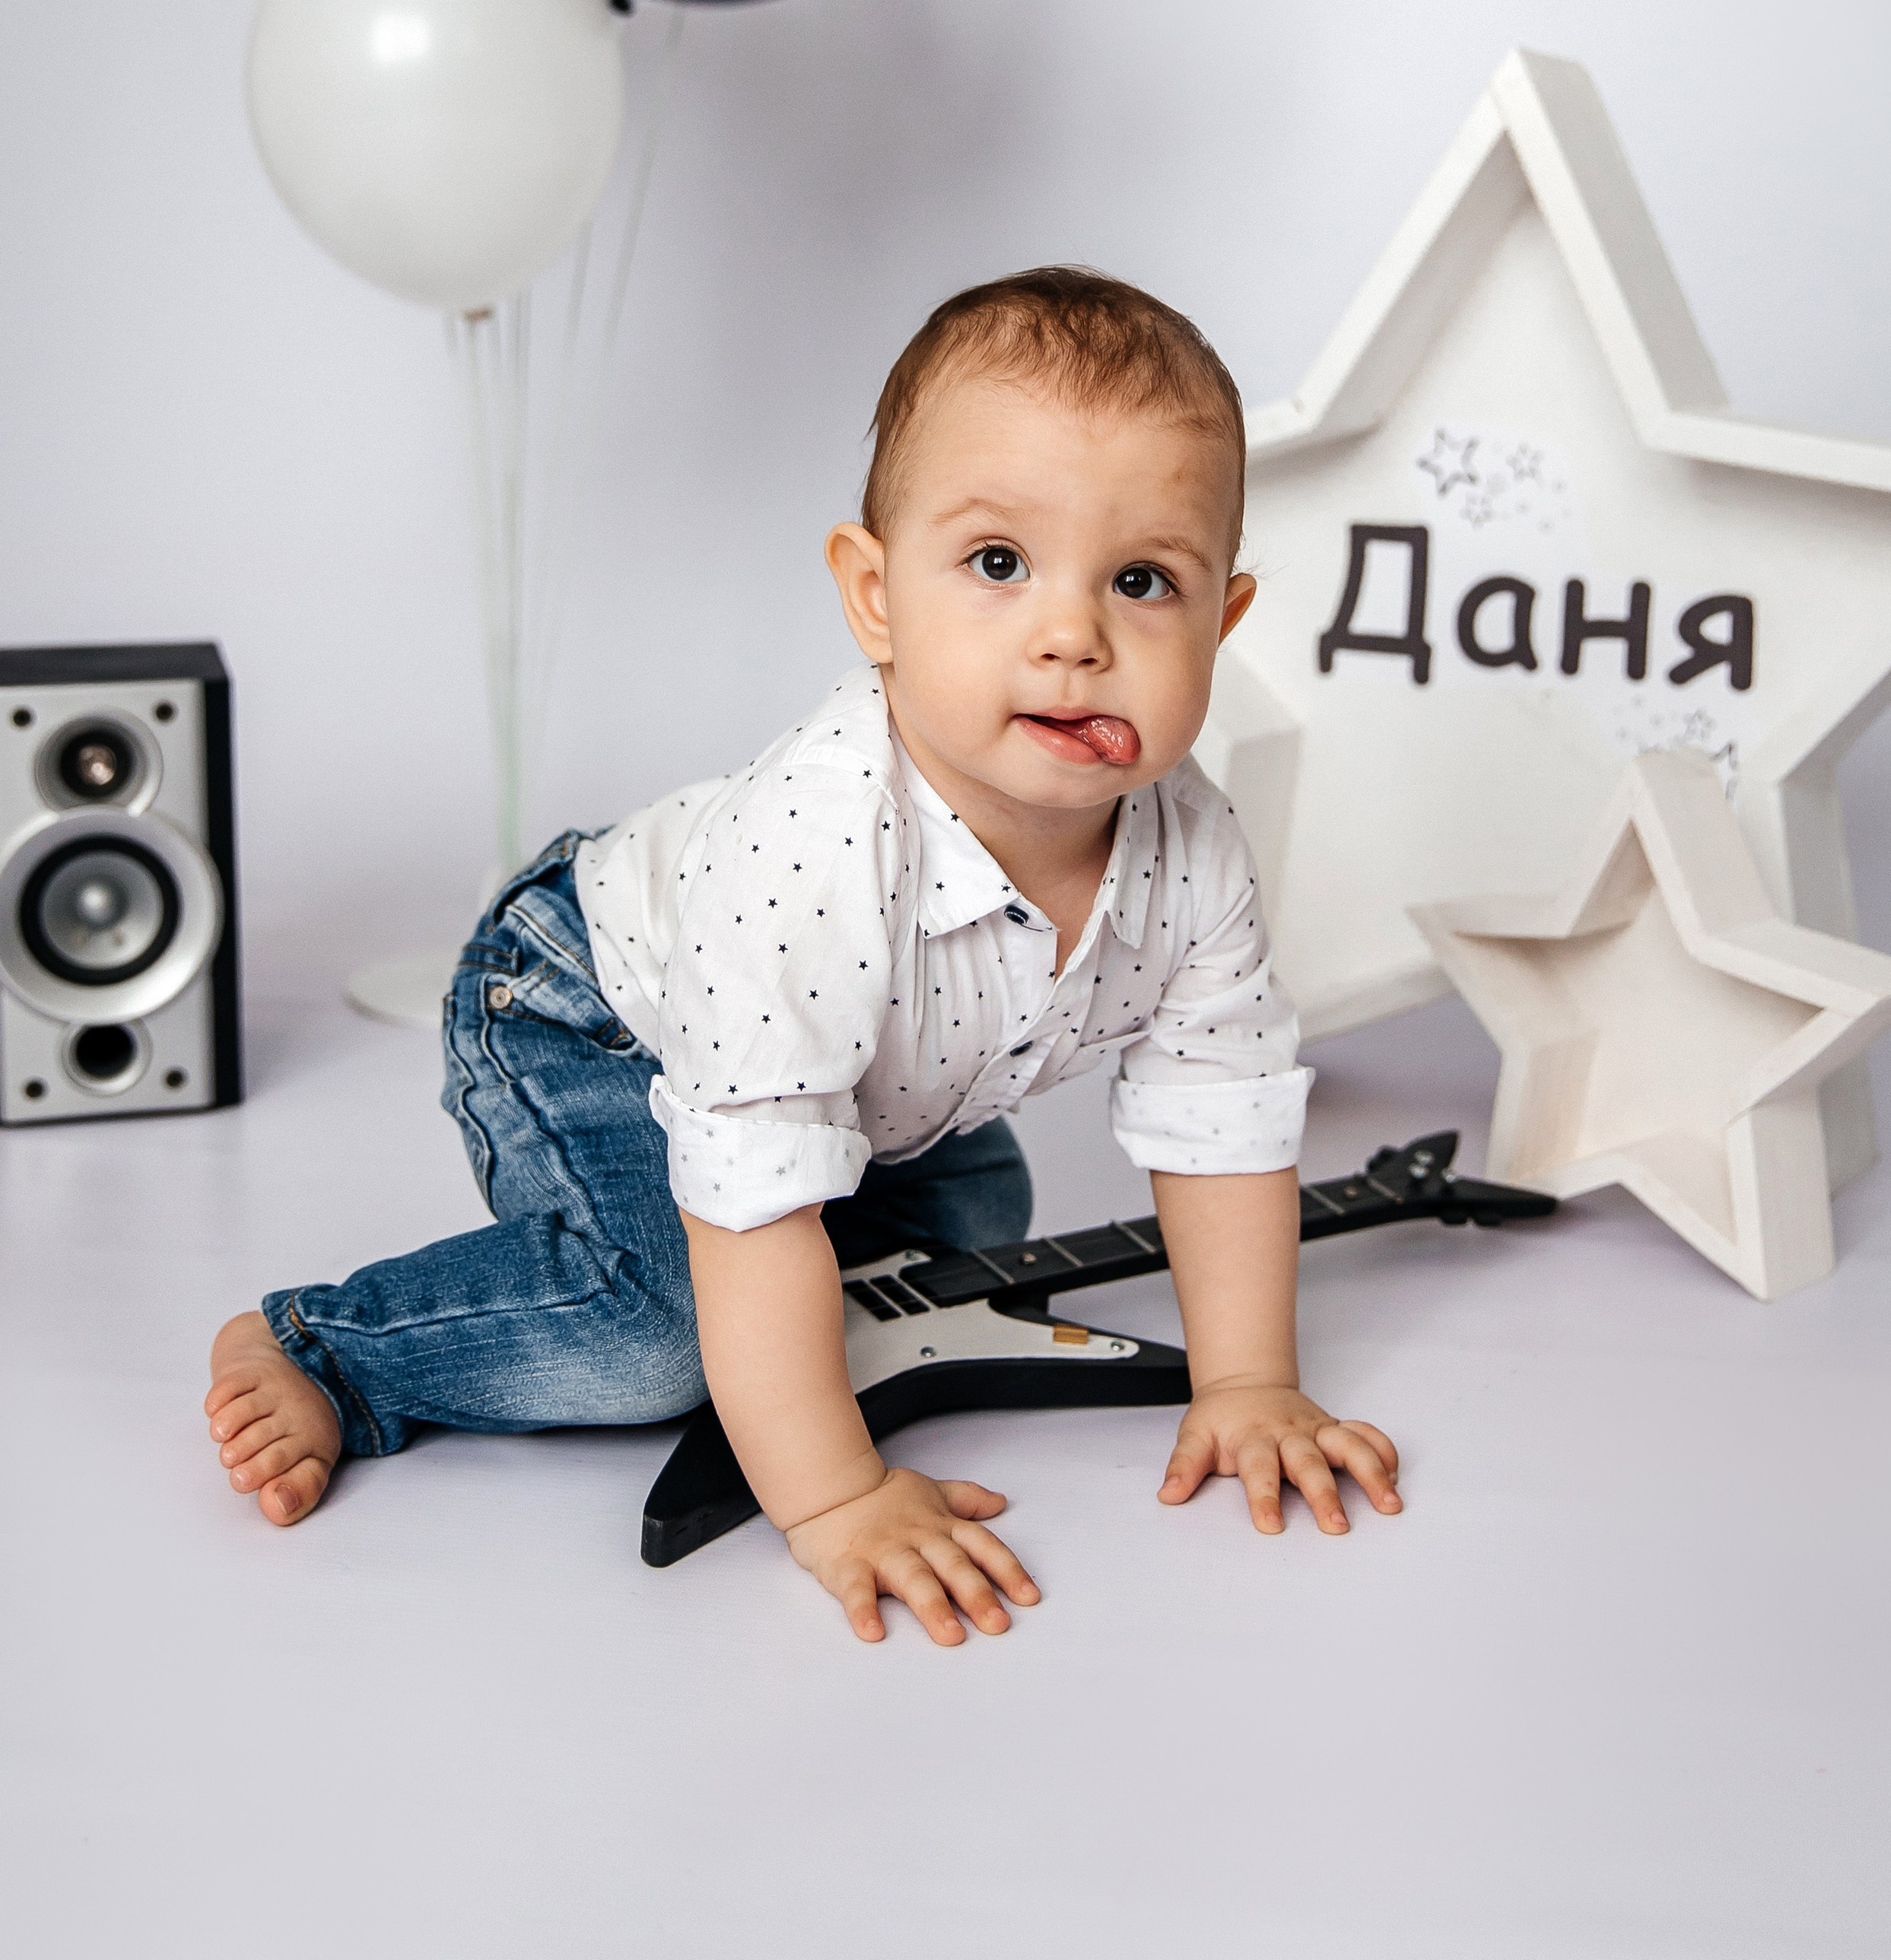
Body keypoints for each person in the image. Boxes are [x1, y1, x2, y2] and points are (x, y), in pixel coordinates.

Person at [206, 267, 1402, 1642]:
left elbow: (1223, 1122)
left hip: (862, 1076)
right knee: (661, 1330)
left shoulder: (1194, 851)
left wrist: (1245, 1382)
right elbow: (758, 1193)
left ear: (1222, 623)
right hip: (587, 1002)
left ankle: (764, 1321)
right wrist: (833, 1497)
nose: (1074, 636)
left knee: (967, 1231)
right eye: (999, 564)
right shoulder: (820, 847)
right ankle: (329, 1347)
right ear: (875, 594)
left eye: (1143, 582)